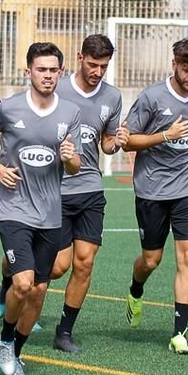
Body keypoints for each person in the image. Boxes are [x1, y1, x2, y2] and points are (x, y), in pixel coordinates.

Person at [0, 43, 82, 375]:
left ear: (60, 73)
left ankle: (16, 350)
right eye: (41, 69)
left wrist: (69, 158)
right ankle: (6, 341)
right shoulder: (9, 108)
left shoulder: (70, 113)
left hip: (50, 213)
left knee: (38, 290)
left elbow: (77, 167)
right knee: (22, 283)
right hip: (12, 208)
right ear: (29, 72)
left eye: (53, 70)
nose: (47, 76)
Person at [121, 38, 188, 355]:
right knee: (151, 259)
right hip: (152, 189)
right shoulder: (151, 97)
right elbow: (128, 141)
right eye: (187, 70)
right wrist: (165, 135)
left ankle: (179, 333)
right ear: (174, 64)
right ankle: (136, 289)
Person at [43, 35, 126, 354]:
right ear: (80, 58)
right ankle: (11, 279)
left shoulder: (113, 97)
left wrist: (116, 141)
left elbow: (104, 144)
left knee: (85, 263)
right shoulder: (57, 87)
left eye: (103, 66)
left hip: (91, 188)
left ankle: (64, 330)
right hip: (56, 189)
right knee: (58, 266)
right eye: (93, 65)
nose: (98, 72)